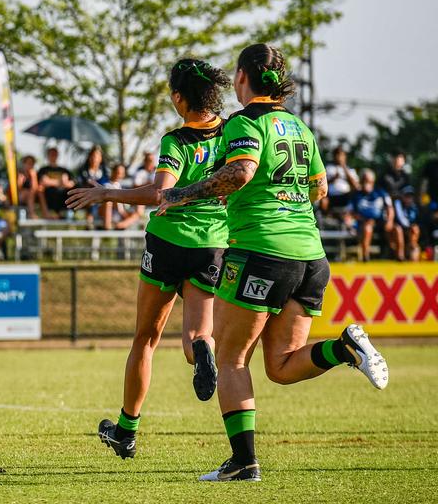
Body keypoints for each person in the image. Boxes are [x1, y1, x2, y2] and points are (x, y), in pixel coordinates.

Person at [157, 43, 388, 483]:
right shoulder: (300, 127)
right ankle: (344, 348)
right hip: (310, 256)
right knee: (280, 366)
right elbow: (320, 189)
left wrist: (180, 193)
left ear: (243, 77)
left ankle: (244, 463)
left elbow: (242, 171)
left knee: (231, 358)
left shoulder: (245, 121)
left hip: (260, 252)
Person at [66, 58, 230, 460]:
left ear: (179, 98)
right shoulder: (233, 135)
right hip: (213, 243)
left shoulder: (177, 140)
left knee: (146, 338)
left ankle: (126, 430)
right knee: (197, 335)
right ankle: (203, 351)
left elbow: (161, 192)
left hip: (168, 243)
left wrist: (107, 193)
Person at [349, 170, 394, 262]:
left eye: (368, 180)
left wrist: (389, 221)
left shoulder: (381, 192)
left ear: (373, 181)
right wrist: (359, 219)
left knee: (397, 230)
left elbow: (390, 208)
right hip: (362, 223)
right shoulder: (356, 195)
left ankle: (396, 256)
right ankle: (365, 257)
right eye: (364, 180)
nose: (366, 183)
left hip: (380, 222)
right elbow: (350, 212)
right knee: (367, 228)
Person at [101, 163, 143, 230]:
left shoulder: (123, 185)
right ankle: (108, 228)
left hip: (121, 211)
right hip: (108, 211)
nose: (119, 175)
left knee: (140, 206)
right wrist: (122, 212)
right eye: (118, 172)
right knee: (109, 201)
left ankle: (121, 225)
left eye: (121, 173)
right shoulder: (106, 185)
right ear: (113, 172)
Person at [37, 147, 75, 218]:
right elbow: (43, 182)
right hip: (48, 195)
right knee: (40, 189)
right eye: (51, 154)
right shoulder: (43, 169)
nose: (53, 156)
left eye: (55, 154)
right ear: (48, 156)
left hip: (63, 196)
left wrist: (51, 182)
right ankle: (47, 214)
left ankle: (68, 215)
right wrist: (62, 182)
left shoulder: (64, 170)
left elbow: (72, 183)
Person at [322, 146, 360, 216]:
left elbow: (356, 186)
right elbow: (321, 184)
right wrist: (333, 179)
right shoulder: (328, 168)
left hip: (345, 196)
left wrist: (344, 169)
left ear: (345, 156)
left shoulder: (350, 170)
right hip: (331, 197)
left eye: (341, 155)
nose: (338, 157)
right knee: (323, 201)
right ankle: (325, 217)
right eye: (337, 154)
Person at [393, 187, 422, 261]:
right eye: (406, 196)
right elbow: (400, 220)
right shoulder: (397, 204)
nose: (409, 198)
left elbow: (415, 221)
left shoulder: (414, 207)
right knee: (398, 229)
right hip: (397, 229)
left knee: (415, 229)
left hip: (409, 230)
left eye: (410, 196)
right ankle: (400, 256)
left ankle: (412, 254)